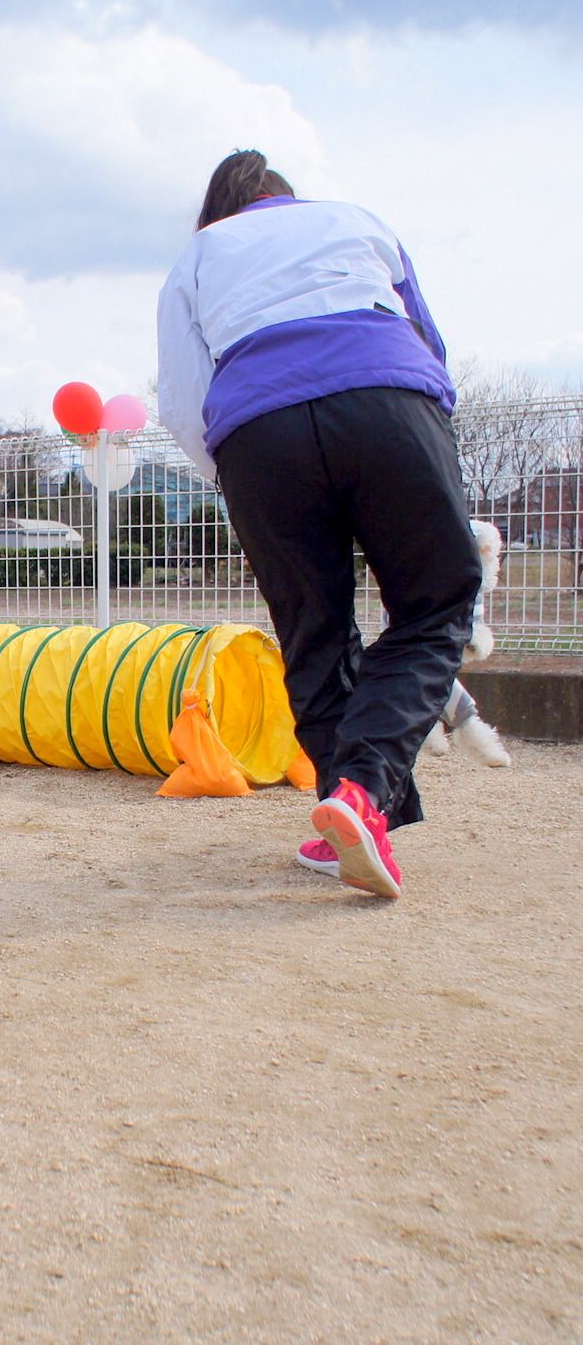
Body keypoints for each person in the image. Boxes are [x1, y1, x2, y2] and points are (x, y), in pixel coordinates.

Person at [156, 150, 481, 898]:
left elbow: (181, 396)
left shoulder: (197, 255)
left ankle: (354, 814)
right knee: (435, 603)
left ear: (217, 211)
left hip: (257, 430)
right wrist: (428, 430)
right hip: (387, 398)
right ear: (287, 198)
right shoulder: (357, 221)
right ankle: (362, 796)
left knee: (315, 632)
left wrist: (233, 469)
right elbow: (428, 339)